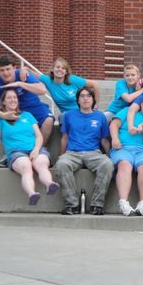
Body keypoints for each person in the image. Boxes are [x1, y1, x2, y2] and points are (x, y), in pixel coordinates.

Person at [0, 89, 59, 205]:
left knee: (41, 164)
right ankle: (32, 193)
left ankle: (49, 184)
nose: (13, 100)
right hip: (16, 152)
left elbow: (39, 136)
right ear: (4, 102)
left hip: (35, 149)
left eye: (15, 97)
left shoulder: (27, 115)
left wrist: (36, 150)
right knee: (26, 166)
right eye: (9, 98)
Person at [55, 86, 114, 215]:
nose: (85, 98)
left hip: (93, 152)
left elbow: (104, 140)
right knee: (61, 164)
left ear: (93, 99)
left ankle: (97, 205)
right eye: (82, 96)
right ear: (78, 100)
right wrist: (62, 155)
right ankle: (72, 205)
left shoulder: (100, 117)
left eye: (88, 96)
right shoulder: (69, 115)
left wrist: (110, 155)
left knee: (107, 164)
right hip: (72, 153)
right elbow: (64, 137)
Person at [0, 56, 54, 155]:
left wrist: (20, 84)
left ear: (14, 68)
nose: (5, 73)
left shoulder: (22, 74)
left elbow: (42, 89)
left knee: (48, 120)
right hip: (13, 111)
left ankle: (38, 151)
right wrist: (2, 115)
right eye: (2, 70)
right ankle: (13, 153)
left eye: (8, 69)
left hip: (34, 107)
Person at [109, 95, 143, 216]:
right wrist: (115, 139)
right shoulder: (127, 111)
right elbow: (114, 124)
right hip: (123, 148)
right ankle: (123, 202)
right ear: (141, 103)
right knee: (124, 164)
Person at [20, 57, 100, 122]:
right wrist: (25, 69)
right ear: (52, 69)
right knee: (62, 117)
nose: (60, 70)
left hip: (83, 112)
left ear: (66, 72)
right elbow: (32, 73)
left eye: (63, 68)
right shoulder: (48, 81)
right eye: (58, 67)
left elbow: (95, 85)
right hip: (68, 116)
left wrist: (95, 105)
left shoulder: (72, 80)